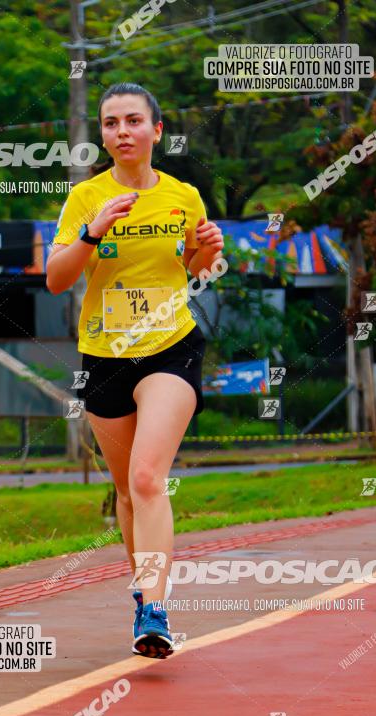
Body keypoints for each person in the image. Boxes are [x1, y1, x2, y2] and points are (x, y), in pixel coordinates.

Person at [46, 82, 224, 658]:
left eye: (132, 121)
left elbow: (195, 267)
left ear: (156, 131)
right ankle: (145, 589)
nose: (121, 132)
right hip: (103, 355)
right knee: (126, 490)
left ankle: (154, 607)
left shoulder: (183, 196)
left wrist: (208, 248)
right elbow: (56, 279)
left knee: (149, 478)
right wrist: (92, 232)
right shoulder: (86, 199)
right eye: (109, 124)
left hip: (171, 348)